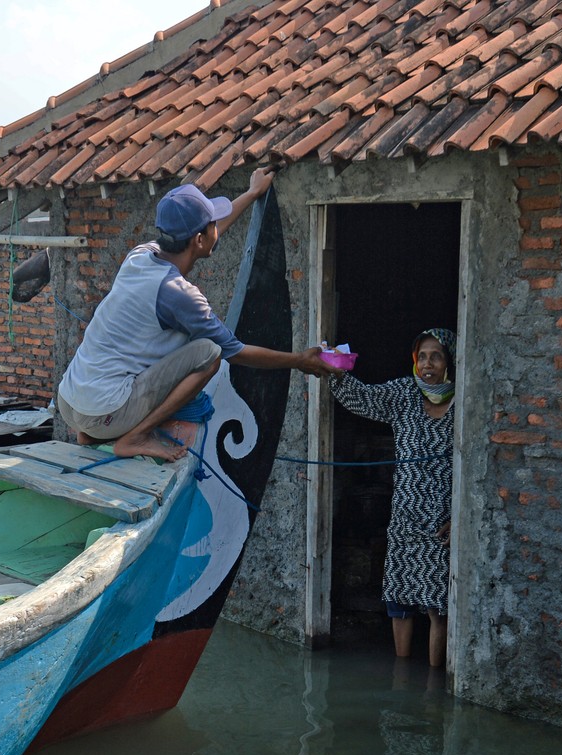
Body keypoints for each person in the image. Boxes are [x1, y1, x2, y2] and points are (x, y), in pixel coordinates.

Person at [56, 168, 336, 461]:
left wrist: (252, 194)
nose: (217, 227)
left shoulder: (141, 255)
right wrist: (300, 361)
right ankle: (135, 437)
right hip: (107, 412)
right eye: (212, 224)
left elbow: (202, 238)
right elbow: (236, 352)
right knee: (210, 353)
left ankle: (89, 433)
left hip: (70, 402)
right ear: (199, 239)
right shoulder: (179, 295)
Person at [330, 328, 456, 668]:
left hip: (442, 524)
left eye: (437, 356)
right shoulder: (404, 393)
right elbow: (364, 398)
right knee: (400, 604)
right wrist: (336, 370)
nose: (428, 364)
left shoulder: (464, 403)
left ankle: (432, 682)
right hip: (405, 516)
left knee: (438, 608)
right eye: (423, 356)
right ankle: (401, 678)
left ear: (450, 362)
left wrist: (459, 518)